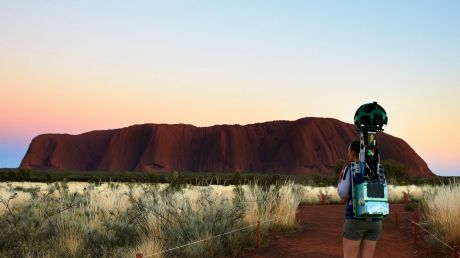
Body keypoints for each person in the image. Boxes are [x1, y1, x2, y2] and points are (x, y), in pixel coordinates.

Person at [337, 141, 382, 258]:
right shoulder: (377, 168)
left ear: (353, 153)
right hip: (376, 220)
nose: (347, 154)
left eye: (348, 151)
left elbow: (342, 193)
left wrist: (340, 178)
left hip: (355, 219)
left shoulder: (350, 167)